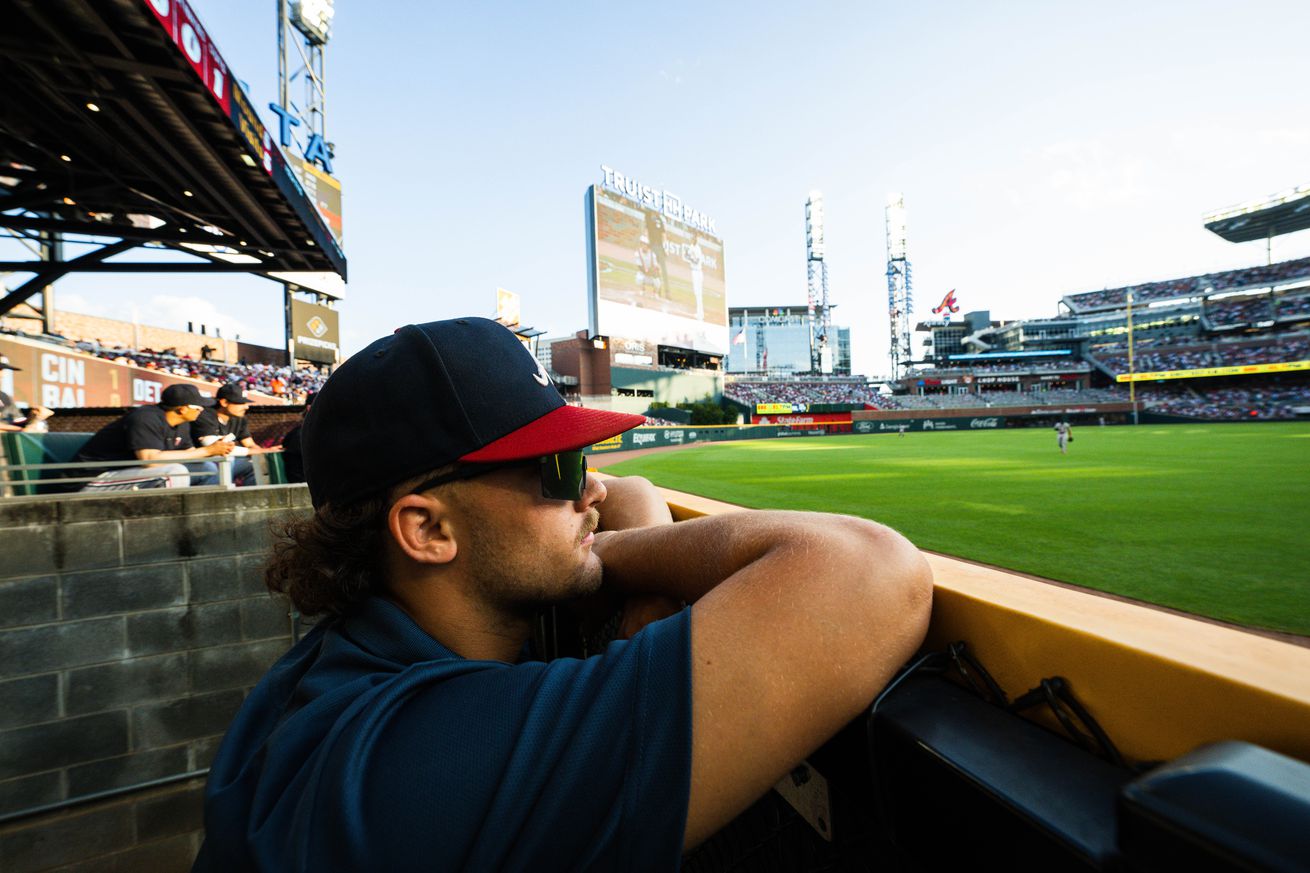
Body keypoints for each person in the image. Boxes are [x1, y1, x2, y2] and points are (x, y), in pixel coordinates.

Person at [194, 317, 932, 872]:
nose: (595, 487)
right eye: (559, 469)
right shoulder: (431, 759)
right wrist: (615, 562)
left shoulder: (343, 669)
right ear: (425, 528)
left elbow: (635, 490)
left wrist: (632, 605)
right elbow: (871, 569)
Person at [74, 383, 234, 489]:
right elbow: (150, 460)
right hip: (90, 479)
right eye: (199, 407)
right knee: (174, 472)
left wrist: (217, 449)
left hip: (128, 474)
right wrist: (207, 451)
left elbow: (190, 453)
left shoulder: (182, 423)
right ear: (183, 409)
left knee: (207, 468)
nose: (202, 411)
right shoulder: (145, 417)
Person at [192, 383, 260, 486]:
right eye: (240, 403)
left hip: (223, 463)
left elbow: (249, 444)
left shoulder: (240, 419)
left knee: (255, 463)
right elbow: (211, 446)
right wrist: (260, 451)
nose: (246, 407)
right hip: (202, 463)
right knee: (227, 459)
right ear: (224, 402)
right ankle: (217, 497)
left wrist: (262, 453)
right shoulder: (205, 415)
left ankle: (250, 497)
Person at [0, 358, 53, 433]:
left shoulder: (4, 397)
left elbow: (17, 422)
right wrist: (21, 430)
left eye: (2, 370)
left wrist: (34, 417)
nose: (2, 375)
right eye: (0, 370)